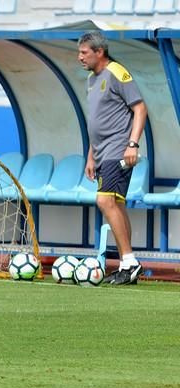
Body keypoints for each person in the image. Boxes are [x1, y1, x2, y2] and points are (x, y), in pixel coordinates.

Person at [78, 31, 147, 285]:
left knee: (104, 201)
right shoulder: (90, 79)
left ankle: (129, 262)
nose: (80, 57)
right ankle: (127, 265)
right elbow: (96, 122)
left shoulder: (117, 72)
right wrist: (91, 156)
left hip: (119, 149)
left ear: (100, 52)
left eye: (84, 53)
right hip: (102, 153)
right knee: (115, 204)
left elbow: (140, 108)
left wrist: (132, 144)